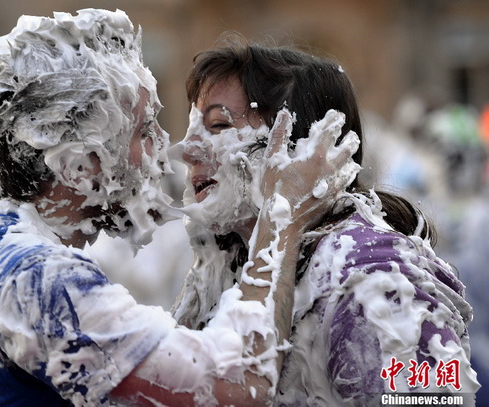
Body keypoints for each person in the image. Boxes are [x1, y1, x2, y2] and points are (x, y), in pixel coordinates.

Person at [0, 10, 360, 407]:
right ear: (77, 165)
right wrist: (282, 215)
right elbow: (239, 384)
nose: (168, 148)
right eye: (143, 130)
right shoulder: (39, 283)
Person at [170, 35, 481, 406]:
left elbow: (428, 399)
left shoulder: (371, 273)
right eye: (194, 127)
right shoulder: (229, 264)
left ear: (299, 148)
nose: (185, 150)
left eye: (218, 125)